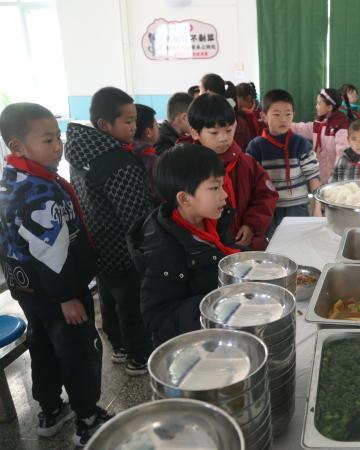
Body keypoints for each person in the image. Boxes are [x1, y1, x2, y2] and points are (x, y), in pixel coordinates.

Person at [0, 103, 113, 445]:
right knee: (79, 351)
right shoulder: (41, 191)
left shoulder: (12, 181)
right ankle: (88, 420)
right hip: (60, 292)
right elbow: (51, 253)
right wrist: (67, 297)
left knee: (44, 347)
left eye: (58, 137)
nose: (57, 146)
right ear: (18, 146)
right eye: (48, 140)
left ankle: (50, 410)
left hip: (30, 291)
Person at [64, 87, 152, 376]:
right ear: (104, 124)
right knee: (132, 305)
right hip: (124, 249)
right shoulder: (118, 161)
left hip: (97, 244)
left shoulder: (80, 152)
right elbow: (136, 215)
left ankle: (119, 346)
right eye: (128, 121)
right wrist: (146, 248)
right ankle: (139, 356)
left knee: (109, 299)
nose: (134, 126)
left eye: (135, 120)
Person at [128, 144, 242, 345]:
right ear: (184, 199)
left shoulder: (213, 222)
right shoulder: (164, 252)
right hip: (199, 345)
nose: (224, 194)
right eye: (215, 187)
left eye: (222, 185)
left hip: (225, 324)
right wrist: (215, 304)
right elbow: (158, 319)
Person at [183, 93, 278, 250]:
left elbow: (267, 194)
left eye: (228, 130)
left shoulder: (246, 163)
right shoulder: (186, 167)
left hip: (246, 247)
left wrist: (252, 225)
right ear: (195, 133)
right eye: (214, 133)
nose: (223, 138)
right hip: (205, 249)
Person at [247, 89, 321, 237]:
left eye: (288, 114)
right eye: (276, 114)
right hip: (267, 210)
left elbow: (314, 178)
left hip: (297, 209)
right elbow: (250, 183)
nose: (283, 119)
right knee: (272, 246)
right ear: (263, 116)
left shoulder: (301, 144)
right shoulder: (256, 146)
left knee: (297, 245)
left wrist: (318, 209)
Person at [291, 88, 350, 184]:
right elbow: (301, 128)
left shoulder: (341, 127)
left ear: (329, 107)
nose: (316, 106)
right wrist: (283, 124)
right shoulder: (319, 124)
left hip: (336, 181)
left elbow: (342, 155)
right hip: (321, 178)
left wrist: (336, 179)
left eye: (319, 103)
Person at [133, 104, 160, 205]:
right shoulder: (149, 157)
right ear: (148, 132)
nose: (159, 127)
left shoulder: (128, 150)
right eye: (156, 124)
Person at [234, 82, 265, 152]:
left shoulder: (262, 112)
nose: (235, 101)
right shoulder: (237, 116)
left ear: (248, 98)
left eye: (237, 98)